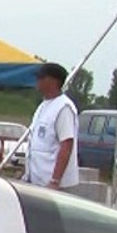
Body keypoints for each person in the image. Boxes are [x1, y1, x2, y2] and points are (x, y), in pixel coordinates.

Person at [23, 62, 79, 191]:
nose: (37, 81)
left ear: (53, 81)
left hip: (52, 183)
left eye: (41, 77)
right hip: (37, 180)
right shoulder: (43, 106)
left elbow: (66, 144)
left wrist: (55, 180)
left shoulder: (63, 107)